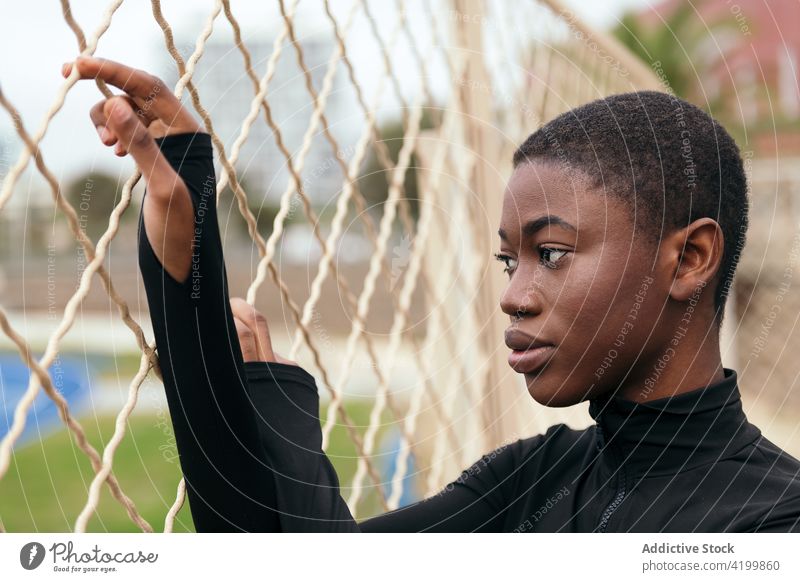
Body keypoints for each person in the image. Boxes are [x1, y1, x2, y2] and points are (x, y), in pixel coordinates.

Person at [64, 56, 800, 532]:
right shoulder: (529, 481)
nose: (514, 296)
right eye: (508, 262)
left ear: (690, 259)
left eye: (551, 253)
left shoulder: (775, 523)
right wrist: (190, 262)